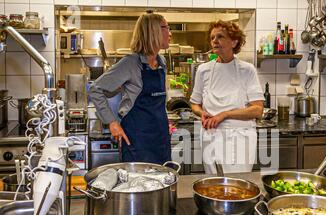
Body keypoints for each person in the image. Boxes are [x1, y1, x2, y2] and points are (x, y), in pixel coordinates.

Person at [89, 12, 172, 164]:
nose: (170, 33)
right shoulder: (130, 63)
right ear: (153, 31)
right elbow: (96, 89)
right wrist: (112, 122)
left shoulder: (162, 61)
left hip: (161, 138)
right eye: (167, 28)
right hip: (137, 140)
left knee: (163, 181)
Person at [190, 20, 264, 174]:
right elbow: (194, 104)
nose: (214, 41)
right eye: (212, 38)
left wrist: (224, 115)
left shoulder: (247, 70)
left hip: (240, 138)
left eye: (220, 37)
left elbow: (257, 110)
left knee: (237, 186)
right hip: (211, 135)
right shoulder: (203, 70)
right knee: (212, 185)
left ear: (234, 42)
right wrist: (201, 113)